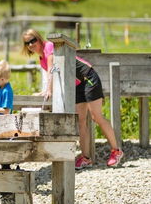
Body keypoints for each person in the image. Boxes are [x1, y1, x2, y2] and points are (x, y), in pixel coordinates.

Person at [21, 29, 124, 169]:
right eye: (28, 43)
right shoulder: (41, 59)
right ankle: (86, 158)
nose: (31, 44)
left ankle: (116, 151)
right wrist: (44, 91)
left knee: (96, 116)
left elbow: (52, 69)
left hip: (88, 77)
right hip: (76, 85)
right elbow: (53, 76)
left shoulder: (49, 47)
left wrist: (49, 90)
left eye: (33, 40)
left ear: (39, 39)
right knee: (81, 121)